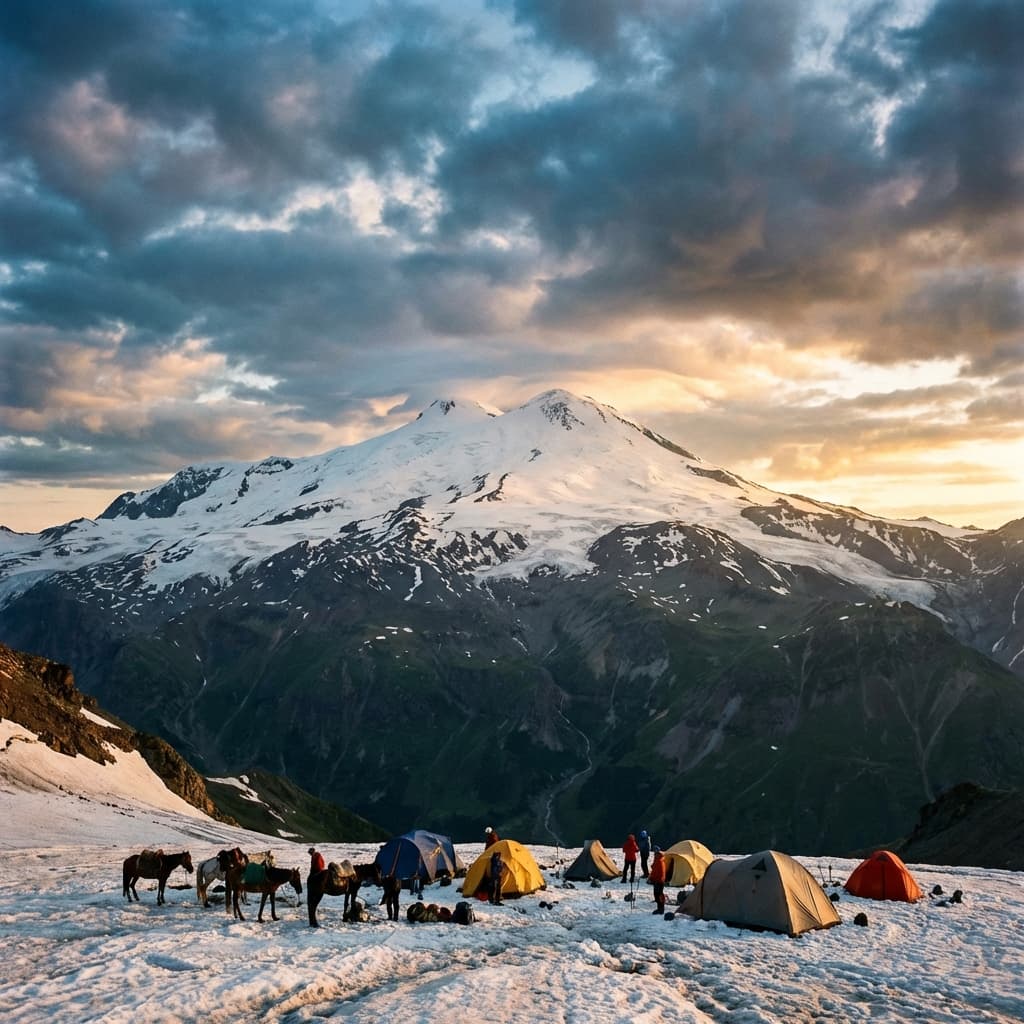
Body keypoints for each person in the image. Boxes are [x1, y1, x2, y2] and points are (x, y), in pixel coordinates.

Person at [649, 846, 666, 913]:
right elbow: (654, 870)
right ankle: (660, 908)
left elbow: (658, 872)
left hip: (658, 881)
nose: (654, 853)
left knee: (658, 895)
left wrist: (655, 879)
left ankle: (661, 909)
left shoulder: (659, 860)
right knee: (657, 894)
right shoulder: (658, 859)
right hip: (658, 880)